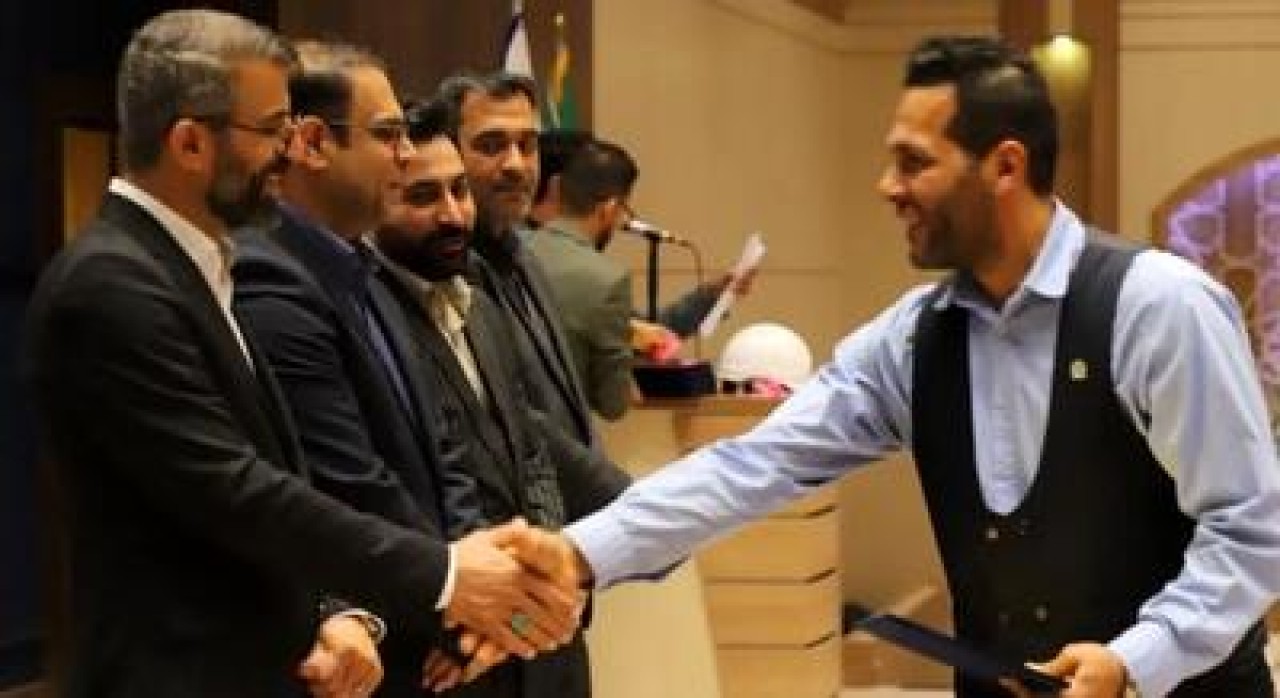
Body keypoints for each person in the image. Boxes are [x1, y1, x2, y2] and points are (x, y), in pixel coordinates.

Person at [507, 36, 1280, 698]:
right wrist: (581, 552)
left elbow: (1251, 530)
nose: (888, 187)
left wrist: (1133, 661)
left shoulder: (1160, 307)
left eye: (914, 163)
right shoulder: (915, 337)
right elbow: (755, 463)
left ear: (1005, 166)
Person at [23, 11, 574, 696]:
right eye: (272, 130)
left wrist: (334, 610)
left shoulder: (198, 267)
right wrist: (450, 574)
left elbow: (283, 475)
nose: (289, 152)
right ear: (190, 144)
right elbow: (238, 492)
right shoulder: (112, 286)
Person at [230, 42, 573, 695]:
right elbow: (348, 478)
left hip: (443, 622)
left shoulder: (362, 270)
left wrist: (479, 598)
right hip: (375, 639)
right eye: (388, 135)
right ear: (312, 143)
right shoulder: (270, 277)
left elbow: (446, 454)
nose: (404, 151)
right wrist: (461, 598)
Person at [372, 96, 631, 696]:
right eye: (422, 197)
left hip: (534, 632)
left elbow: (532, 451)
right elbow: (413, 484)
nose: (452, 214)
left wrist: (546, 585)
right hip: (448, 640)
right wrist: (482, 618)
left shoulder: (481, 304)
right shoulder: (372, 320)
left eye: (458, 190)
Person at [435, 72, 599, 452]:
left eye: (527, 145)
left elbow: (567, 409)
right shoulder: (445, 276)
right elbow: (519, 420)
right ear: (449, 152)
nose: (515, 164)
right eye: (491, 145)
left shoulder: (527, 260)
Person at [525, 129, 753, 340]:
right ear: (558, 187)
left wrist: (711, 296)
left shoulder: (577, 262)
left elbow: (641, 332)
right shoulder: (523, 258)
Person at [525, 139, 643, 420]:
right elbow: (612, 405)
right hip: (563, 437)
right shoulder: (608, 280)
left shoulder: (514, 252)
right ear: (609, 208)